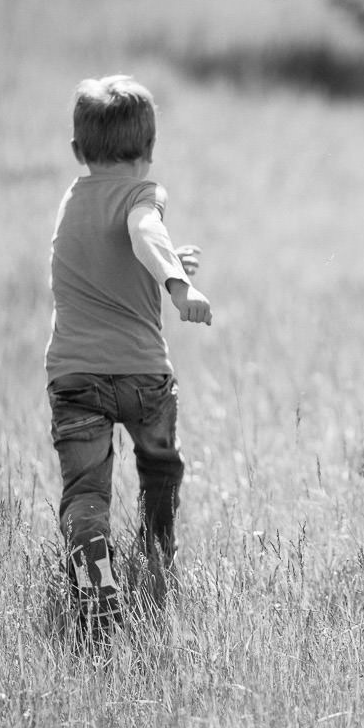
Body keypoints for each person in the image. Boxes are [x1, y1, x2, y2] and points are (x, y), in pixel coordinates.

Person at [45, 75, 212, 642]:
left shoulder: (72, 201)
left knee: (86, 493)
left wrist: (168, 258)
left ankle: (96, 586)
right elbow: (142, 231)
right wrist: (176, 282)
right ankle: (156, 561)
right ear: (149, 151)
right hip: (141, 374)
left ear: (77, 151)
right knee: (160, 467)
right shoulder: (145, 196)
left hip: (74, 375)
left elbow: (124, 250)